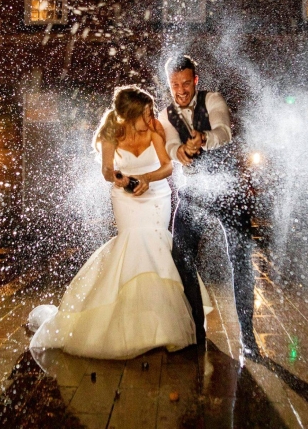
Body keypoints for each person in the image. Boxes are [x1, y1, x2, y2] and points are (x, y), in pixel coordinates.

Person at [29, 86, 211, 360]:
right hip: (125, 198)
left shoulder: (154, 130)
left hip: (156, 195)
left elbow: (167, 166)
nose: (152, 118)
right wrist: (119, 177)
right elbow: (106, 170)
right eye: (147, 113)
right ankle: (131, 324)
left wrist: (147, 179)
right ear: (129, 114)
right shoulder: (110, 134)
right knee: (133, 243)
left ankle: (162, 325)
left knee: (157, 246)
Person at [158, 54, 260, 357]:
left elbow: (224, 131)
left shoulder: (212, 99)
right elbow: (169, 144)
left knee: (240, 260)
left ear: (196, 81)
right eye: (175, 84)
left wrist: (203, 139)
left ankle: (248, 336)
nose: (181, 89)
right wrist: (180, 151)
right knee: (181, 257)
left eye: (186, 83)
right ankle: (196, 331)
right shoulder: (165, 115)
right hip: (194, 194)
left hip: (229, 191)